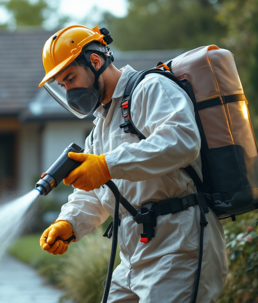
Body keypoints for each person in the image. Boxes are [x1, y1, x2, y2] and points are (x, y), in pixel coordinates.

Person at [38, 25, 228, 302]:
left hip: (178, 246)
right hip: (135, 256)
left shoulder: (150, 88)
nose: (69, 90)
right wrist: (69, 223)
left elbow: (182, 141)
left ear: (95, 61)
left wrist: (106, 165)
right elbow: (93, 195)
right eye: (63, 85)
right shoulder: (100, 127)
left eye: (70, 78)